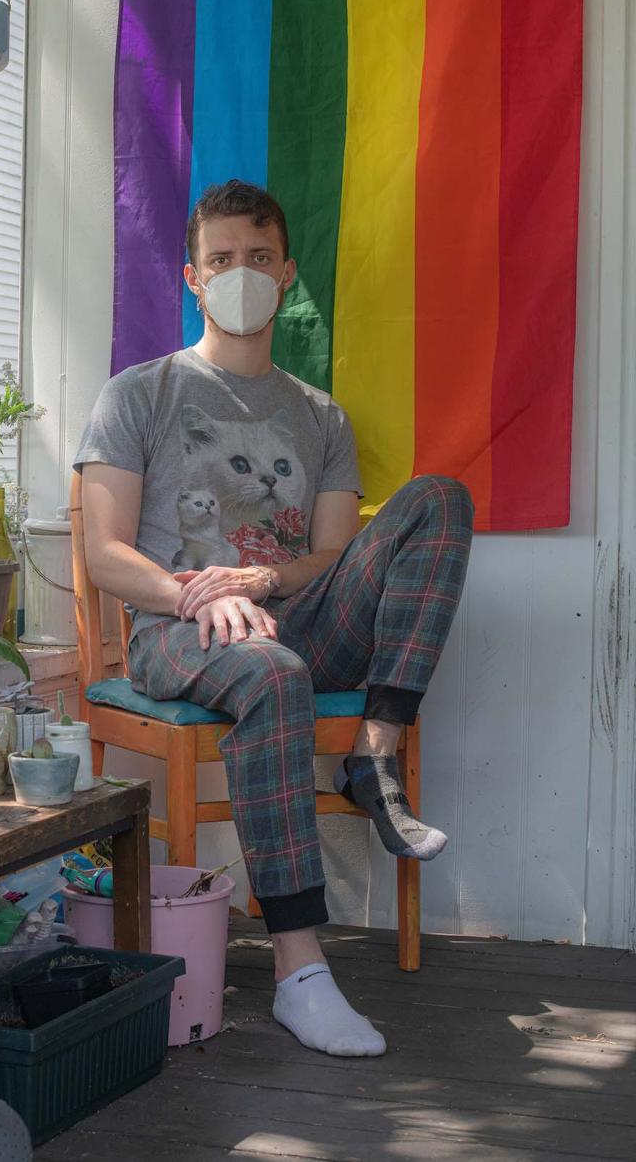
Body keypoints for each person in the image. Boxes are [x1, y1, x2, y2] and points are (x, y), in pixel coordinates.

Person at [75, 179, 473, 1058]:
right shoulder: (139, 394)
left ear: (287, 274)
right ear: (192, 276)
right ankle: (302, 973)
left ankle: (375, 756)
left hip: (295, 617)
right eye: (222, 260)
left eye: (259, 259)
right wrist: (198, 593)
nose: (240, 274)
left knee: (440, 498)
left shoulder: (321, 415)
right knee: (274, 676)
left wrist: (260, 579)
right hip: (176, 631)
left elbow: (332, 560)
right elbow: (106, 553)